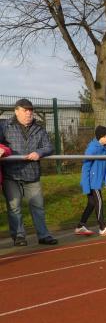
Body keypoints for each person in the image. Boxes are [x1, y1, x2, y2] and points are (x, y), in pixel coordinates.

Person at [0, 98, 57, 246]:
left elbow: (49, 147)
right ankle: (19, 236)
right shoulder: (4, 126)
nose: (29, 113)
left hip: (32, 174)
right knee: (14, 207)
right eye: (25, 110)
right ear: (16, 111)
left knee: (38, 206)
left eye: (31, 111)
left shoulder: (39, 128)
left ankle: (44, 235)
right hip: (11, 174)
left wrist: (39, 152)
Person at [75, 126, 106, 237]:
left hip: (97, 181)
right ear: (100, 137)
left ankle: (80, 226)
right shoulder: (92, 148)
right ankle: (102, 228)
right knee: (99, 202)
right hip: (92, 182)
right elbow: (85, 168)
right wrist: (85, 185)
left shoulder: (105, 149)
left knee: (92, 203)